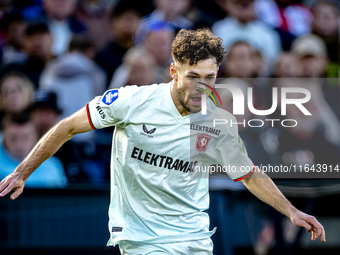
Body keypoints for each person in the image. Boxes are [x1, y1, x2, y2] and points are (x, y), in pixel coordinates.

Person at [0, 29, 326, 254]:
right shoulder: (131, 101)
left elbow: (249, 174)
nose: (202, 86)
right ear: (173, 71)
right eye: (193, 77)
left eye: (209, 77)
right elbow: (68, 127)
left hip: (194, 234)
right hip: (141, 234)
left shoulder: (218, 123)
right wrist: (23, 171)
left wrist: (291, 211)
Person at [0, 113, 67, 188]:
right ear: (4, 137)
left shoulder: (52, 167)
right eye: (13, 138)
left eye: (25, 138)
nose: (19, 145)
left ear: (36, 137)